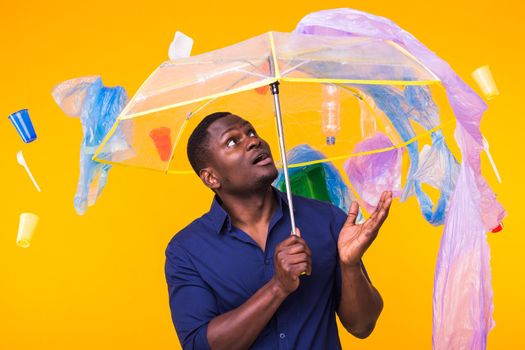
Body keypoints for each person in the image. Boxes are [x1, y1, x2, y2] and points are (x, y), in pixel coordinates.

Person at [165, 112, 393, 350]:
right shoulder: (186, 250)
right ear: (211, 177)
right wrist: (278, 287)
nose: (253, 141)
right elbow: (198, 346)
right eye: (232, 141)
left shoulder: (327, 219)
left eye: (251, 132)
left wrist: (350, 265)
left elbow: (362, 326)